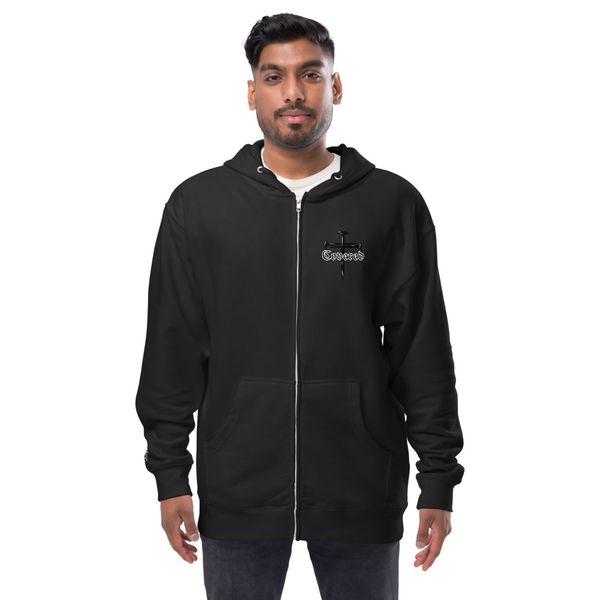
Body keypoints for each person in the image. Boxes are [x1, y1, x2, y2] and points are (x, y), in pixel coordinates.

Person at [135, 12, 465, 600]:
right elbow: (172, 350)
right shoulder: (199, 205)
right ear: (252, 92)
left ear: (335, 86)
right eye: (274, 77)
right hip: (238, 491)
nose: (293, 92)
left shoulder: (391, 203)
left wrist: (437, 478)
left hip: (361, 487)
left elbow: (422, 351)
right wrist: (169, 474)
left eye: (310, 75)